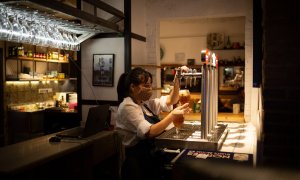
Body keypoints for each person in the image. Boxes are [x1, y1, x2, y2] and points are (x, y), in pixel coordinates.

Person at [116, 67, 190, 180]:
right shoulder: (127, 106)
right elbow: (149, 132)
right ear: (132, 87)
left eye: (150, 85)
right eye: (146, 85)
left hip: (150, 158)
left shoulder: (144, 104)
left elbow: (172, 100)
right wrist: (172, 116)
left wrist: (177, 78)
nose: (150, 89)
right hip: (137, 163)